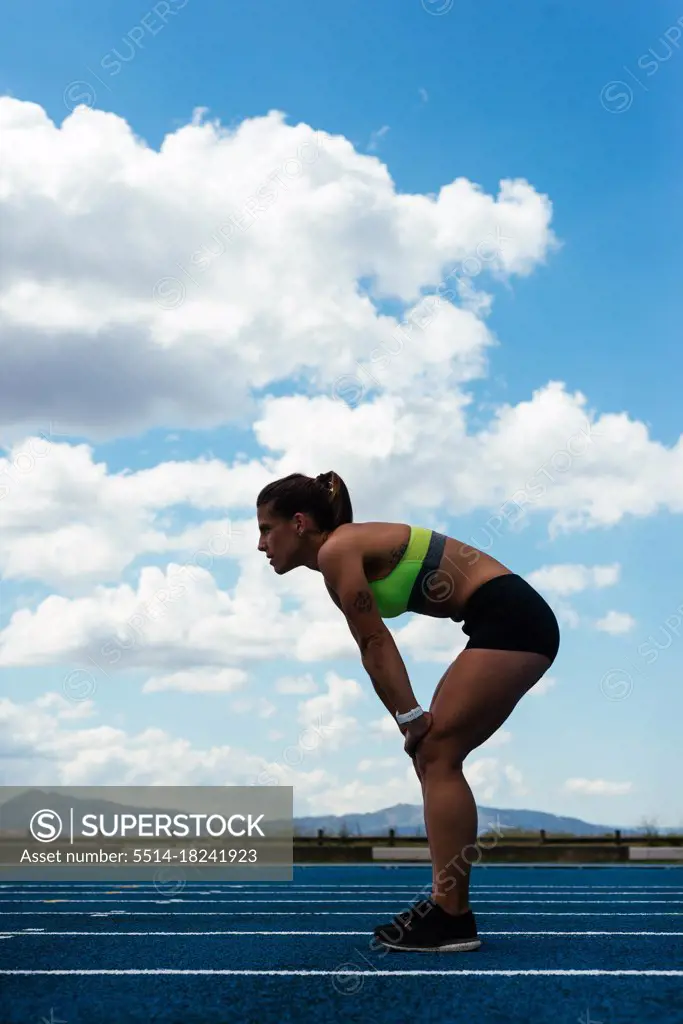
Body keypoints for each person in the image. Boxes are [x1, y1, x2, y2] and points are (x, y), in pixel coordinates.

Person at [256, 470, 560, 953]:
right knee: (434, 756)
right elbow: (373, 645)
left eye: (265, 529)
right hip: (501, 620)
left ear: (297, 523)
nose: (260, 545)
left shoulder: (338, 550)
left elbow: (374, 641)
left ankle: (451, 915)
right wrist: (409, 715)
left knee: (437, 753)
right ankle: (449, 910)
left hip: (514, 618)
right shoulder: (341, 552)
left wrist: (409, 714)